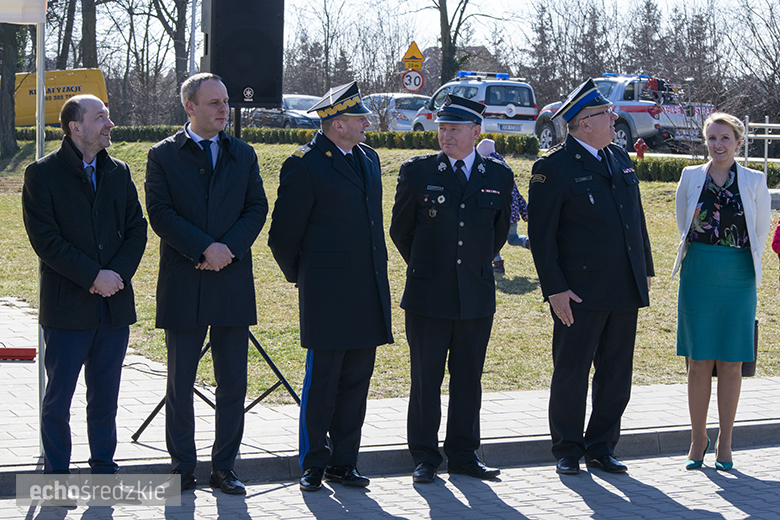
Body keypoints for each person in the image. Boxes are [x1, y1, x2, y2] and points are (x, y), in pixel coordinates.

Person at [145, 73, 268, 494]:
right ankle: (182, 467)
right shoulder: (163, 155)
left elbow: (256, 208)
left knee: (233, 380)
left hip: (231, 279)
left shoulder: (243, 154)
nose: (223, 109)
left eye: (226, 101)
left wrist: (227, 249)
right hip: (185, 278)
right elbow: (160, 213)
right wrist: (203, 249)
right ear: (190, 107)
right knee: (181, 381)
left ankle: (224, 467)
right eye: (214, 102)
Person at [268, 81, 393, 492]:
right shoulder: (305, 164)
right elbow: (283, 236)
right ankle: (313, 463)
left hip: (367, 289)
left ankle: (344, 461)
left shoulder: (369, 158)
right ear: (337, 124)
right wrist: (306, 277)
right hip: (326, 292)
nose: (366, 123)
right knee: (322, 384)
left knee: (356, 383)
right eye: (359, 118)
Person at [527, 79, 654, 475]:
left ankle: (602, 445)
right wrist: (555, 290)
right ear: (584, 124)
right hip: (578, 292)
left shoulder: (617, 158)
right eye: (606, 114)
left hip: (623, 285)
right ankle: (567, 448)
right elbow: (541, 237)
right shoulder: (553, 168)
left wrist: (645, 268)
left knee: (616, 374)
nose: (614, 117)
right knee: (572, 372)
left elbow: (636, 219)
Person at [390, 95, 513, 484]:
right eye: (442, 128)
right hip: (429, 293)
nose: (446, 136)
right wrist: (429, 266)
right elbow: (400, 230)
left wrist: (470, 265)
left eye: (455, 129)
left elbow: (496, 233)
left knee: (468, 378)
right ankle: (425, 456)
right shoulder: (418, 171)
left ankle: (463, 453)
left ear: (476, 133)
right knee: (426, 379)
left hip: (475, 293)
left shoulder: (497, 175)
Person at [22, 94, 147, 474]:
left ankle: (103, 468)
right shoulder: (41, 174)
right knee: (59, 399)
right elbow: (46, 240)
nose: (110, 123)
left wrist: (115, 277)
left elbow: (137, 231)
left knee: (106, 398)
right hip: (66, 310)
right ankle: (57, 476)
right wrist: (94, 276)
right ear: (75, 127)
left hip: (113, 308)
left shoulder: (119, 172)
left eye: (108, 115)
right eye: (100, 117)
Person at [673, 112, 770, 471]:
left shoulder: (755, 180)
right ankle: (698, 440)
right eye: (712, 138)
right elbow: (684, 223)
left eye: (725, 138)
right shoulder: (690, 176)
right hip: (698, 272)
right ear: (706, 141)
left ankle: (725, 443)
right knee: (698, 362)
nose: (718, 144)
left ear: (738, 142)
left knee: (731, 363)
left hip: (738, 275)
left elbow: (760, 232)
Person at [476, 139, 531, 275]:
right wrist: (525, 212)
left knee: (492, 238)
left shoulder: (487, 169)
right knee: (512, 238)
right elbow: (517, 194)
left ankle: (498, 264)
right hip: (512, 214)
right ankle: (529, 242)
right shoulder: (505, 170)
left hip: (497, 213)